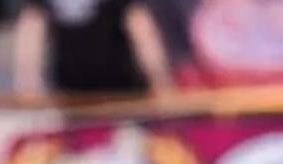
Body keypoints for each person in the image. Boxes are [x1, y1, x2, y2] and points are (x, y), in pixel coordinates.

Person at [13, 0, 172, 96]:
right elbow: (32, 27)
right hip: (72, 97)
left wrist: (160, 82)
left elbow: (141, 28)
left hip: (124, 95)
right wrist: (27, 88)